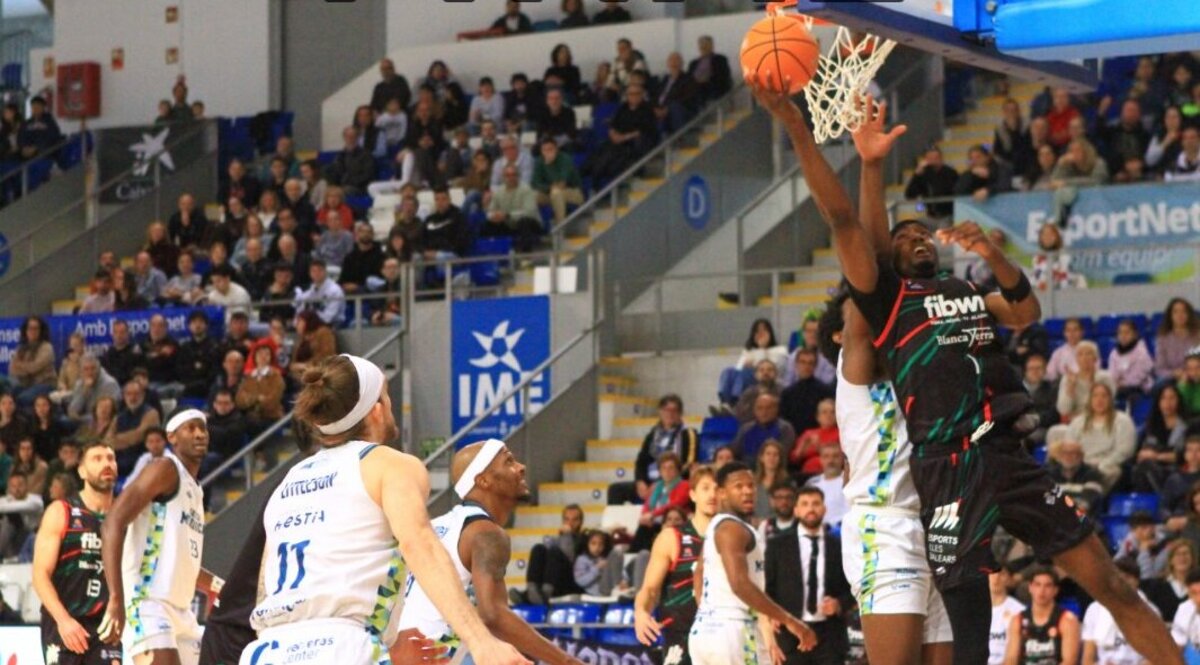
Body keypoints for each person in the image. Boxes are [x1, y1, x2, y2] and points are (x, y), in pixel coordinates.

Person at [751, 75, 1179, 665]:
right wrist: (831, 143)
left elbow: (1025, 309)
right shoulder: (876, 320)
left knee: (1108, 583)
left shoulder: (960, 293)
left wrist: (994, 256)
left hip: (987, 462)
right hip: (917, 501)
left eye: (924, 232)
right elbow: (850, 226)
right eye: (906, 236)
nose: (918, 238)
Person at [239, 355, 530, 664]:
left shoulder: (288, 482)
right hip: (339, 647)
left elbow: (265, 587)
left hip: (266, 650)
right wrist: (481, 641)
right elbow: (420, 546)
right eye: (387, 394)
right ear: (376, 410)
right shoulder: (390, 464)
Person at [400, 438, 581, 663]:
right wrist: (568, 661)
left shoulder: (438, 525)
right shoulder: (486, 533)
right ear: (483, 480)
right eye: (509, 461)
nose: (521, 467)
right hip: (429, 655)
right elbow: (493, 615)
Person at [98, 410, 207, 665]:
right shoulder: (165, 468)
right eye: (190, 428)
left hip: (182, 610)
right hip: (147, 602)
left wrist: (219, 586)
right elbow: (112, 522)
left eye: (203, 428)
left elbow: (184, 563)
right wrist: (116, 597)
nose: (200, 433)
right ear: (172, 437)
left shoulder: (197, 490)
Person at [688, 462, 815, 664]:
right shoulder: (732, 529)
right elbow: (740, 584)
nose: (747, 491)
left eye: (751, 485)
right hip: (734, 630)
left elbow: (698, 573)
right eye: (738, 486)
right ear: (721, 493)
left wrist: (708, 613)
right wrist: (790, 621)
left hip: (704, 631)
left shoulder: (716, 525)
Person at [31, 441, 122, 665]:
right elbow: (40, 574)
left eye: (110, 458)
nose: (106, 464)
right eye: (97, 459)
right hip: (65, 621)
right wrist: (63, 620)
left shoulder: (123, 516)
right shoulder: (62, 511)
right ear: (81, 470)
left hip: (106, 623)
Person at [635, 465, 717, 665]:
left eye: (717, 488)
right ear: (693, 494)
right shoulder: (672, 537)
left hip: (721, 638)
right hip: (681, 637)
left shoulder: (735, 538)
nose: (712, 494)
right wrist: (641, 612)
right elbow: (650, 589)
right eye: (705, 488)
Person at [765, 486, 853, 665]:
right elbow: (766, 586)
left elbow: (854, 588)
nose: (811, 509)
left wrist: (839, 604)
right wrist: (771, 614)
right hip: (790, 635)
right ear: (796, 510)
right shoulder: (777, 545)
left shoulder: (840, 546)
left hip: (830, 637)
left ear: (824, 509)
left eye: (816, 503)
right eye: (804, 504)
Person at [1082, 558, 1158, 665]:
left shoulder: (1150, 611)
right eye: (1118, 579)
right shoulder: (1094, 609)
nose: (1122, 583)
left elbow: (1156, 658)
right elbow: (1087, 659)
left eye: (1127, 577)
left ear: (1137, 581)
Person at [1003, 567, 1080, 665]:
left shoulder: (1067, 620)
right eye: (1037, 585)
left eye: (1047, 586)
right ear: (1030, 588)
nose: (1042, 590)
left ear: (1055, 590)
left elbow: (1069, 662)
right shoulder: (1018, 619)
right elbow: (1011, 659)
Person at [1067, 382, 1136, 491]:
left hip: (1107, 465)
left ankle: (1093, 498)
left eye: (1104, 396)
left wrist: (1102, 464)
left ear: (1110, 399)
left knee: (1112, 472)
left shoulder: (1123, 421)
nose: (1099, 400)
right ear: (1090, 399)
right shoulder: (1078, 422)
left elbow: (1125, 451)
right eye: (1095, 396)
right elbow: (1070, 446)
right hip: (1082, 465)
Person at [1045, 426, 1106, 513]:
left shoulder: (1093, 474)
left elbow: (1088, 500)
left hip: (1081, 517)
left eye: (1073, 453)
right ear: (1059, 456)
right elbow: (1047, 498)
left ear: (1081, 456)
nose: (1068, 456)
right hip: (1055, 515)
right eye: (1065, 453)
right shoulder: (1050, 474)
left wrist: (1068, 508)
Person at [485, 164, 544, 252]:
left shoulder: (526, 190)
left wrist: (508, 215)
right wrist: (493, 216)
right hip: (509, 225)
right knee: (488, 224)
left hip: (531, 225)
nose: (511, 178)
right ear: (503, 178)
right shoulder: (498, 192)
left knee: (524, 222)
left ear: (518, 176)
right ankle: (496, 256)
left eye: (513, 175)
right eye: (508, 175)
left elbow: (530, 212)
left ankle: (526, 257)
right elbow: (490, 211)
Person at [779, 349, 834, 436]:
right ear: (796, 364)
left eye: (810, 363)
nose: (806, 366)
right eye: (803, 362)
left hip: (819, 439)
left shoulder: (825, 391)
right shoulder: (787, 394)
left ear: (815, 366)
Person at [730, 394, 796, 464]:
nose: (764, 412)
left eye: (768, 408)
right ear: (754, 410)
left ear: (776, 409)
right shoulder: (746, 429)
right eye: (760, 408)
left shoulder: (785, 429)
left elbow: (781, 455)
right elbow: (734, 450)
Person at [1057, 340, 1113, 421]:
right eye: (1080, 354)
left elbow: (1107, 406)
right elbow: (1063, 410)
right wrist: (1071, 388)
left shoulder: (1105, 377)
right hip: (1075, 422)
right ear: (1076, 359)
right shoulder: (1068, 378)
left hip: (1099, 420)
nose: (1084, 357)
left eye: (1088, 354)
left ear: (1096, 358)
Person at [1143, 539, 1195, 622]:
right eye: (1178, 554)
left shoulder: (1197, 585)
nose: (1182, 558)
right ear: (1171, 560)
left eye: (1185, 553)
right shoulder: (1157, 586)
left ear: (1192, 559)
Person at [904, 146, 958, 220]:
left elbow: (953, 191)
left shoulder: (950, 173)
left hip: (948, 214)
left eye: (936, 158)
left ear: (941, 158)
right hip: (930, 215)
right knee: (916, 225)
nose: (933, 160)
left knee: (943, 226)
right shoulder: (924, 174)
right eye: (930, 158)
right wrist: (916, 175)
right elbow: (909, 195)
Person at [0, 470, 43, 558]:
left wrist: (7, 504)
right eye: (13, 486)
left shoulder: (35, 500)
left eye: (20, 485)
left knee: (11, 519)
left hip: (30, 539)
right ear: (9, 488)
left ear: (27, 485)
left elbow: (21, 507)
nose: (17, 489)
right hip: (11, 542)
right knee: (6, 522)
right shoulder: (7, 500)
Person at [1156, 298, 1200, 382]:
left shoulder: (1198, 335)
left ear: (1189, 315)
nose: (1180, 315)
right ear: (1170, 315)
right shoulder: (1163, 338)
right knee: (1160, 385)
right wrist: (1174, 373)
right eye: (1176, 312)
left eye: (1184, 311)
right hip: (1172, 378)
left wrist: (1191, 373)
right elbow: (1159, 369)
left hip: (1196, 376)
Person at [803, 445, 848, 527]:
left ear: (842, 459)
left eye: (835, 456)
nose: (831, 460)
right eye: (826, 456)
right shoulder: (812, 484)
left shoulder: (850, 480)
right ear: (820, 459)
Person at [989, 568, 1025, 665]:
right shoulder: (975, 611)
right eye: (991, 573)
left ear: (1009, 579)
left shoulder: (1019, 611)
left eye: (1001, 574)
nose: (996, 578)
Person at [687, 36, 732, 104]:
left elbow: (723, 76)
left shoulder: (720, 59)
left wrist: (705, 79)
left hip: (713, 87)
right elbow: (688, 78)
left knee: (700, 91)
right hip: (695, 88)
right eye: (701, 45)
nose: (703, 47)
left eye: (706, 45)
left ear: (712, 46)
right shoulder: (693, 63)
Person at [753, 440, 789, 518]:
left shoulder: (788, 483)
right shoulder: (753, 483)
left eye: (775, 454)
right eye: (768, 454)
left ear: (780, 459)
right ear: (761, 458)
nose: (771, 458)